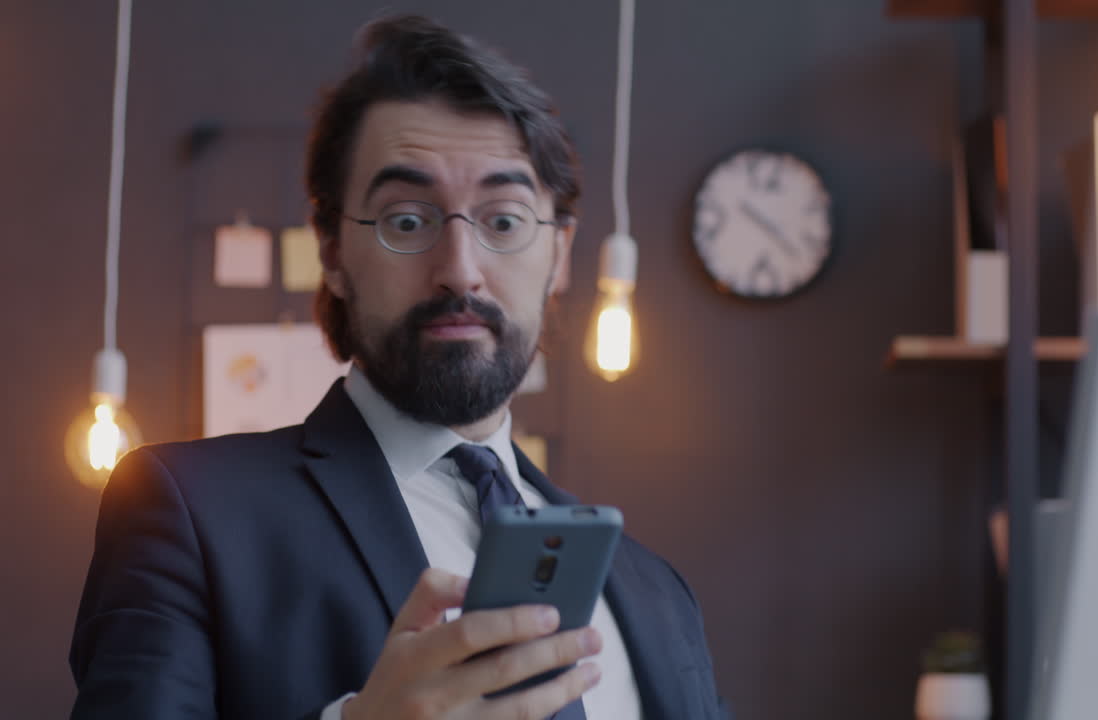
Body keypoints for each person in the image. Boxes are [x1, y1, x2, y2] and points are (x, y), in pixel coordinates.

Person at [69, 15, 727, 720]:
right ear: (330, 252)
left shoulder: (655, 589)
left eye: (503, 221)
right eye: (406, 221)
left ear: (560, 256)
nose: (461, 272)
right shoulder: (189, 513)